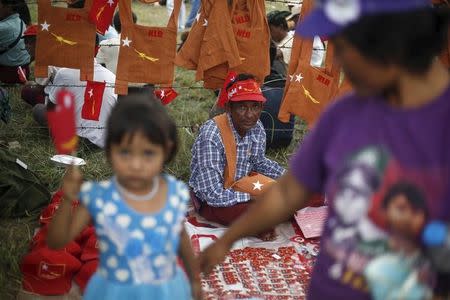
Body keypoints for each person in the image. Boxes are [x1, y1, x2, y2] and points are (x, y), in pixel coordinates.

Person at [200, 1, 450, 300]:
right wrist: (227, 240)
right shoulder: (344, 112)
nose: (341, 64)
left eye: (346, 49)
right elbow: (287, 191)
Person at [47, 90, 201, 299]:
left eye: (148, 153)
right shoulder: (100, 197)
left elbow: (180, 235)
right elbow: (57, 242)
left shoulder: (172, 192)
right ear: (110, 150)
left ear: (166, 150)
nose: (136, 165)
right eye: (125, 152)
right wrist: (66, 199)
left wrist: (193, 279)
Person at [189, 73, 285, 227]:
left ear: (262, 107)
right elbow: (212, 194)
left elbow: (259, 162)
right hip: (213, 200)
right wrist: (251, 198)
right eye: (242, 107)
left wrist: (289, 177)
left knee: (296, 194)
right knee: (262, 210)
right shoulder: (211, 135)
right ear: (228, 107)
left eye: (255, 107)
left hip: (242, 183)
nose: (249, 115)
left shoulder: (257, 127)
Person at [32, 51, 118, 148]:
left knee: (38, 109)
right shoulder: (113, 77)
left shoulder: (65, 73)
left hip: (76, 140)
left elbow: (51, 111)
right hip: (103, 142)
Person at [0, 0, 30, 83]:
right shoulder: (20, 21)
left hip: (9, 74)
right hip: (24, 70)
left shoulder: (3, 27)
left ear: (8, 7)